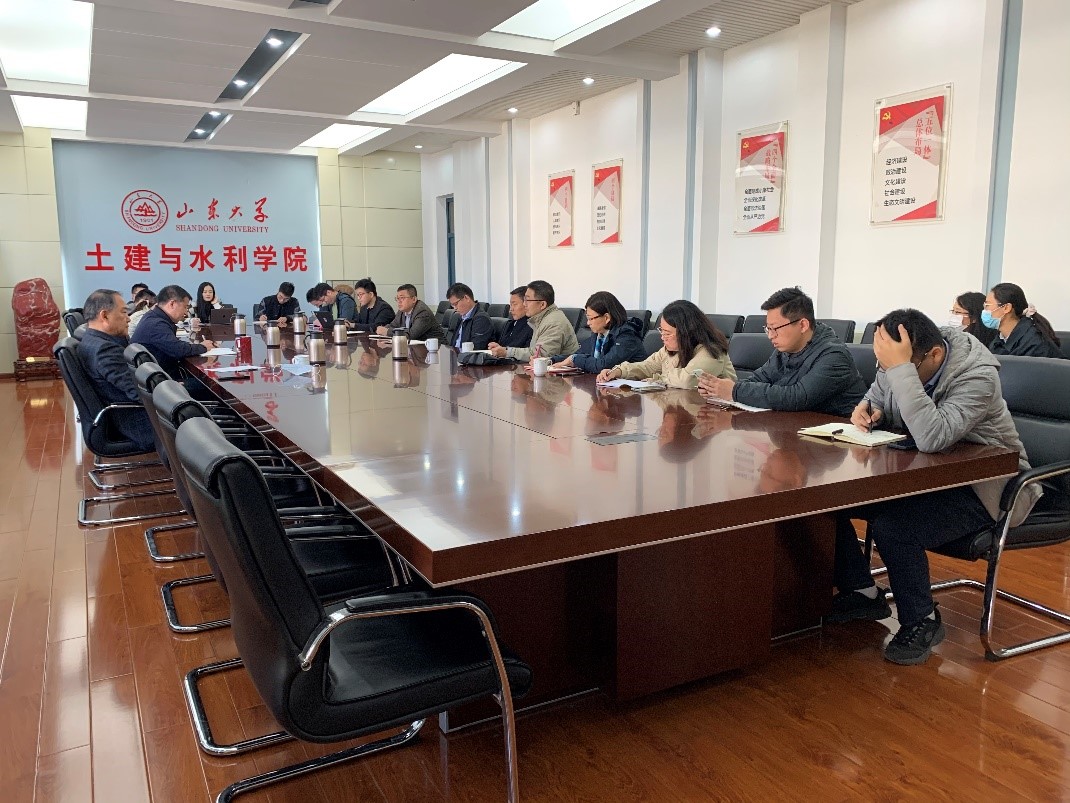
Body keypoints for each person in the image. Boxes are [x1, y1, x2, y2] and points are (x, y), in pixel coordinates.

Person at [827, 309, 1040, 665]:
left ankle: (922, 620)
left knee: (895, 527)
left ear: (935, 355)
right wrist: (867, 408)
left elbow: (932, 436)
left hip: (988, 489)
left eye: (896, 366)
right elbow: (877, 393)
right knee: (831, 502)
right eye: (882, 363)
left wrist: (899, 370)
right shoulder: (906, 357)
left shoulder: (977, 376)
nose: (887, 371)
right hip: (927, 476)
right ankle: (863, 591)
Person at [698, 287, 866, 416]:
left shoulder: (834, 356)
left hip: (837, 438)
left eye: (775, 328)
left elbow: (797, 397)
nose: (771, 336)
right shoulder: (786, 348)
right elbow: (760, 378)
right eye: (768, 329)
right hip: (796, 428)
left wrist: (735, 391)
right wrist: (718, 388)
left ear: (803, 325)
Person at [78, 289, 156, 453]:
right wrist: (172, 392)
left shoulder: (92, 340)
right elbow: (138, 393)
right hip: (138, 423)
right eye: (123, 312)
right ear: (105, 316)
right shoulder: (104, 350)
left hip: (124, 416)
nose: (129, 318)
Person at [597, 300, 734, 389]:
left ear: (686, 333)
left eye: (667, 333)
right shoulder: (672, 348)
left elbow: (688, 380)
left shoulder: (711, 351)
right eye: (661, 331)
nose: (662, 337)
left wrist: (657, 379)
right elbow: (647, 366)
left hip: (714, 415)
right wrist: (619, 371)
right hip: (682, 407)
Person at [132, 284, 216, 379]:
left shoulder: (154, 317)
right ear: (172, 304)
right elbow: (178, 349)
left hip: (160, 376)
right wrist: (203, 347)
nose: (186, 312)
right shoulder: (156, 324)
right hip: (163, 381)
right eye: (185, 307)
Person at [553, 291, 646, 373]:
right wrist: (552, 360)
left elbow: (604, 365)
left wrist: (574, 359)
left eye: (590, 319)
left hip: (628, 386)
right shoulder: (599, 334)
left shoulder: (627, 336)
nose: (588, 323)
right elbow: (578, 355)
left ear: (606, 318)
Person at [488, 280, 578, 361]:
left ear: (542, 304)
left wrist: (507, 352)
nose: (524, 304)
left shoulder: (554, 322)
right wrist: (504, 350)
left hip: (563, 373)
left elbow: (540, 355)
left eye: (527, 300)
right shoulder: (540, 319)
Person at [984, 282, 1064, 359]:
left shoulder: (1034, 342)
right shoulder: (1000, 339)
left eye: (987, 305)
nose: (984, 310)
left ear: (1006, 308)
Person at [377, 284, 446, 341]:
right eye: (397, 298)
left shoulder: (422, 312)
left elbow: (411, 335)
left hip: (437, 349)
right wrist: (382, 329)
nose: (399, 301)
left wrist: (387, 332)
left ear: (414, 299)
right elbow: (393, 325)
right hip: (416, 348)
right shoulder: (402, 311)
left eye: (402, 298)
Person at [444, 282, 492, 350]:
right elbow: (454, 344)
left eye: (456, 304)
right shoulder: (461, 316)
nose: (455, 308)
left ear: (466, 298)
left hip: (467, 356)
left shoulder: (481, 319)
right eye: (452, 305)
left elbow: (476, 349)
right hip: (456, 354)